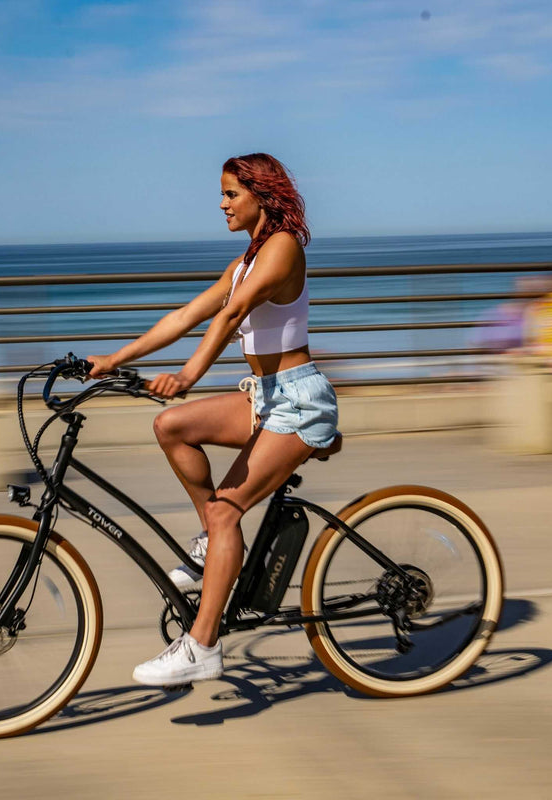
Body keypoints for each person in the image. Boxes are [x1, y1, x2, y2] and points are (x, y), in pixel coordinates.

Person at [86, 153, 339, 686]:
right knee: (172, 426)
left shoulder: (282, 250)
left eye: (231, 194)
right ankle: (214, 547)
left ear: (262, 196)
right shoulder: (244, 261)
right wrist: (113, 360)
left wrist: (189, 374)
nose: (221, 203)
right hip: (265, 396)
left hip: (299, 400)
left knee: (227, 513)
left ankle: (202, 645)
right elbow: (187, 315)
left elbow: (231, 315)